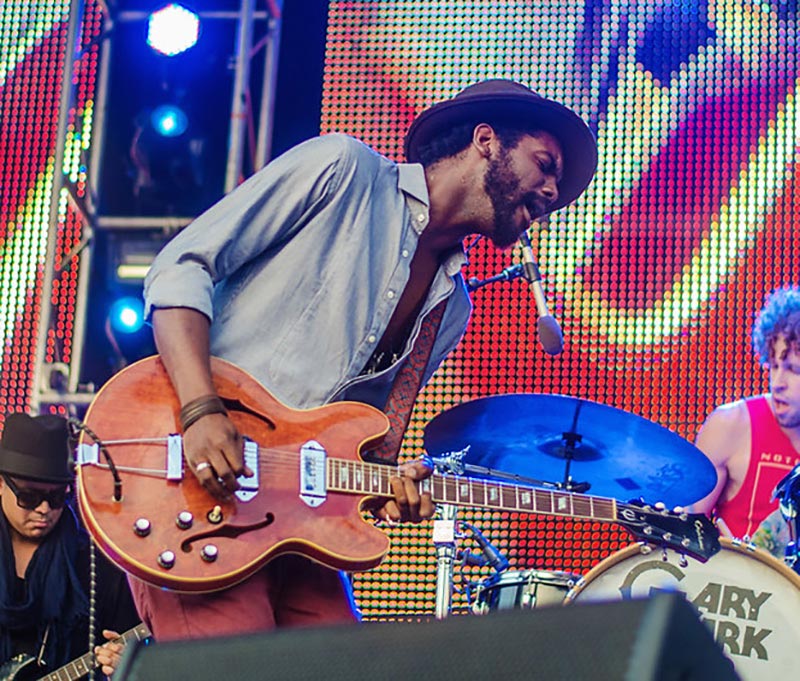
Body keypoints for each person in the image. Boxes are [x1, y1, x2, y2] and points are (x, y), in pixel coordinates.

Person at [135, 79, 598, 640]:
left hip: (301, 526)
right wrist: (201, 410)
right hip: (196, 483)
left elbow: (360, 444)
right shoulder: (342, 169)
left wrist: (386, 485)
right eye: (545, 164)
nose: (553, 190)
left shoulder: (452, 309)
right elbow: (181, 266)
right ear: (485, 141)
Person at [0, 412, 140, 678]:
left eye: (55, 498)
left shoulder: (98, 566)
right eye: (29, 497)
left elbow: (129, 643)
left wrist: (120, 660)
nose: (44, 509)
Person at [691, 287, 800, 541]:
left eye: (793, 370)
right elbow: (685, 527)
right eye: (773, 366)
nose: (777, 382)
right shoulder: (731, 425)